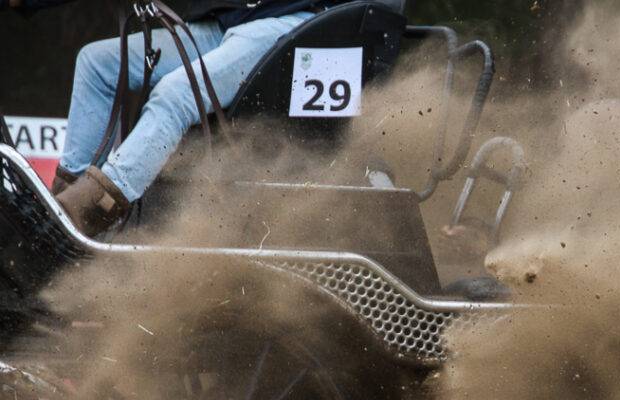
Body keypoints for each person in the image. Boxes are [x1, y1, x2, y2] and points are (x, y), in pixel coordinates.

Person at [1, 0, 356, 236]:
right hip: (225, 23)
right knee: (97, 64)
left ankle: (85, 215)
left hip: (294, 22)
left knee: (177, 92)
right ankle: (60, 210)